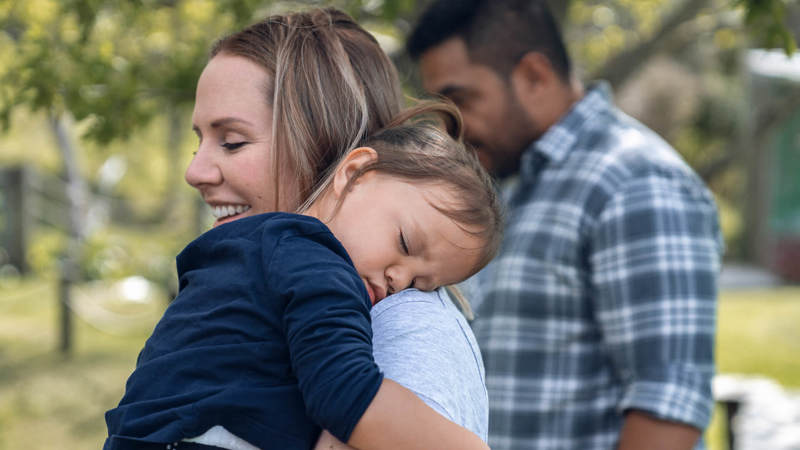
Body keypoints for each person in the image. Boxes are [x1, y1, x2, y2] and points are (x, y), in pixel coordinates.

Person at [105, 7, 493, 449]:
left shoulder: (403, 329)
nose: (195, 172)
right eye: (201, 139)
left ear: (328, 144)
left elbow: (347, 396)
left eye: (232, 141)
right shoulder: (279, 267)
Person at [407, 1, 724, 449]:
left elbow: (667, 410)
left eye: (461, 99)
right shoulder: (507, 184)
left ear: (534, 75)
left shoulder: (637, 182)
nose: (450, 126)